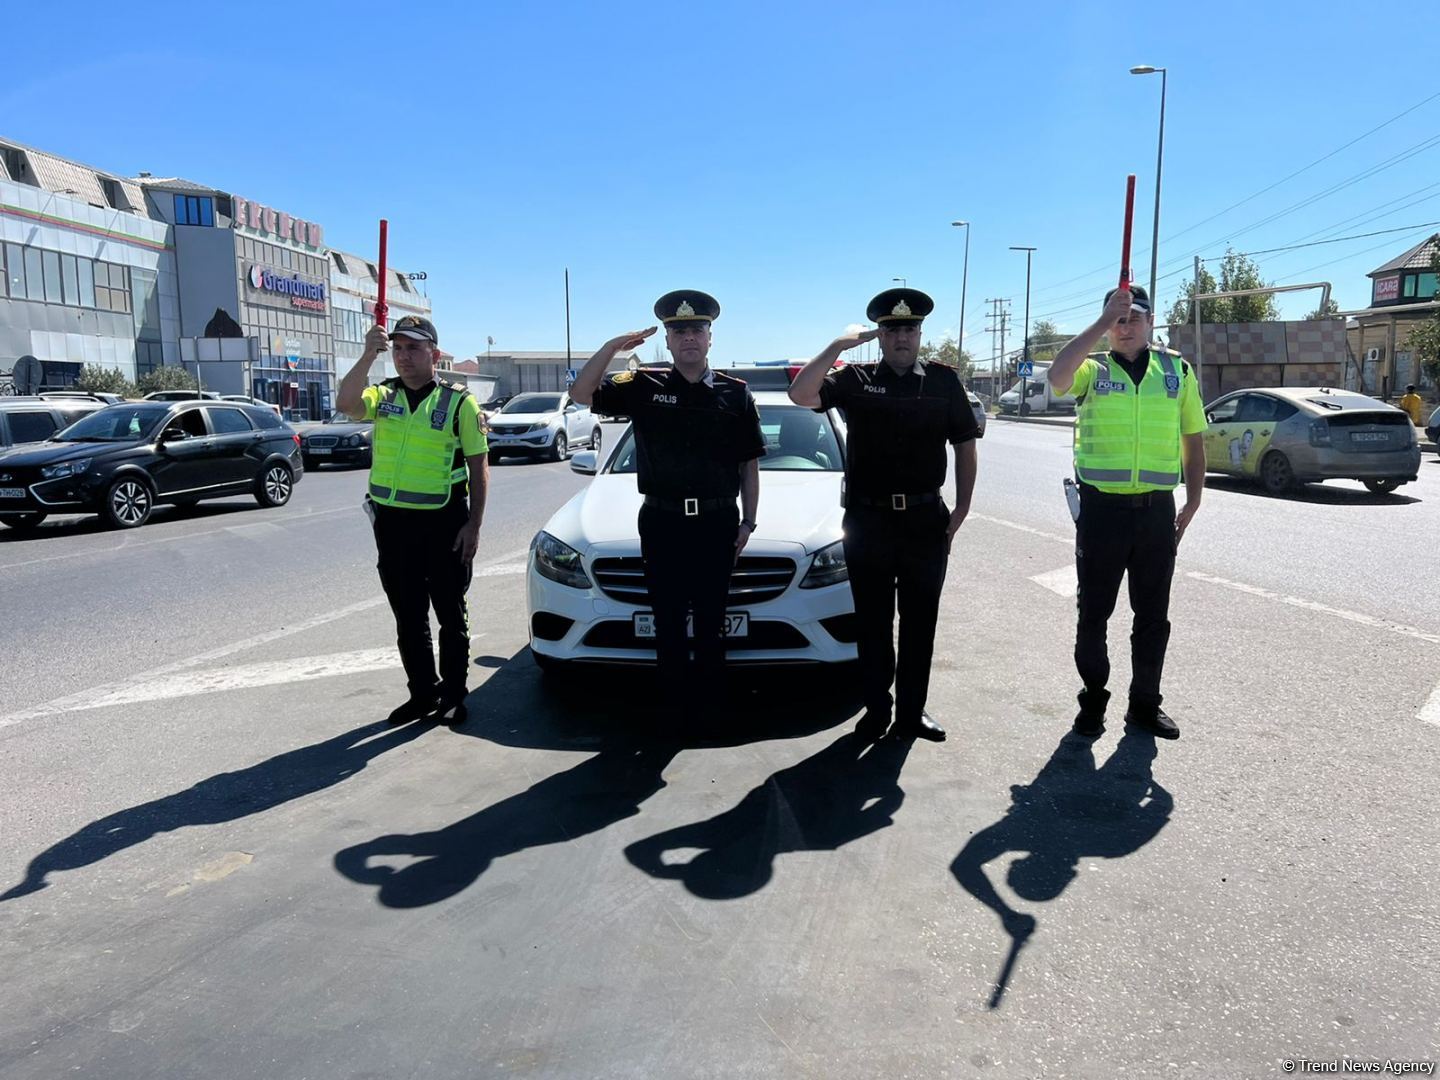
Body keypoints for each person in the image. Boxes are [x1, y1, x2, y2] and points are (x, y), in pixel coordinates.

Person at [788, 288, 979, 743]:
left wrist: (963, 507)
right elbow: (800, 394)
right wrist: (838, 346)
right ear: (879, 335)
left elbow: (965, 444)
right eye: (892, 330)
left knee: (920, 623)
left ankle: (912, 713)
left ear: (920, 333)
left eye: (909, 329)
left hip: (924, 520)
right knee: (872, 623)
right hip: (868, 522)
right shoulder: (854, 379)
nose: (901, 337)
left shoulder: (943, 381)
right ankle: (876, 709)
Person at [569, 290, 764, 712]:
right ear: (669, 342)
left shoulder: (735, 394)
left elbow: (749, 465)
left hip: (717, 522)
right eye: (679, 332)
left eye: (696, 329)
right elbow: (582, 394)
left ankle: (710, 709)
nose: (688, 337)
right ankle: (673, 710)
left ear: (710, 338)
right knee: (668, 621)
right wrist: (612, 347)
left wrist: (748, 523)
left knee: (712, 622)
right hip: (663, 521)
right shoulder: (642, 386)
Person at [1046, 285, 1206, 741]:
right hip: (1102, 513)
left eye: (1135, 317)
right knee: (1093, 614)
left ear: (1151, 321)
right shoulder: (1092, 368)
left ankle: (1144, 705)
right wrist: (1101, 321)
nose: (1125, 326)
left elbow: (1193, 438)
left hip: (1156, 513)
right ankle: (1093, 700)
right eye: (1117, 319)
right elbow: (1057, 377)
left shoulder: (1177, 371)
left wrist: (1194, 499)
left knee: (1153, 617)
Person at [335, 315, 489, 726]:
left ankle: (453, 695)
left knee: (451, 616)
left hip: (444, 524)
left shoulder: (459, 403)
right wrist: (368, 355)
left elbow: (479, 467)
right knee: (408, 617)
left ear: (434, 355)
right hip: (393, 525)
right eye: (398, 348)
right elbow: (346, 404)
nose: (404, 356)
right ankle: (422, 693)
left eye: (414, 348)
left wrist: (473, 526)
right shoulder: (383, 394)